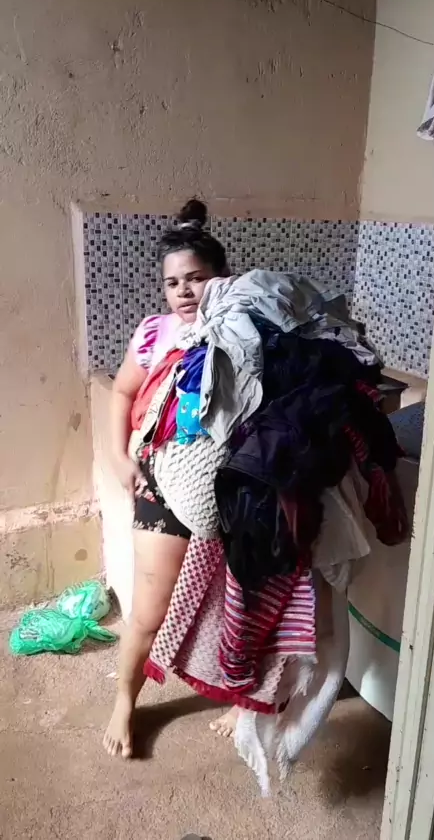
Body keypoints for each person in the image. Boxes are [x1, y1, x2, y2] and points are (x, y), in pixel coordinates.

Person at [103, 199, 236, 758]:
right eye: (172, 282)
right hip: (161, 485)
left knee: (236, 607)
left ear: (221, 278)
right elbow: (122, 391)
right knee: (148, 612)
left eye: (195, 278)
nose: (183, 291)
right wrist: (120, 458)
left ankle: (242, 699)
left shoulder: (245, 330)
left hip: (233, 492)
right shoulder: (155, 333)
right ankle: (124, 701)